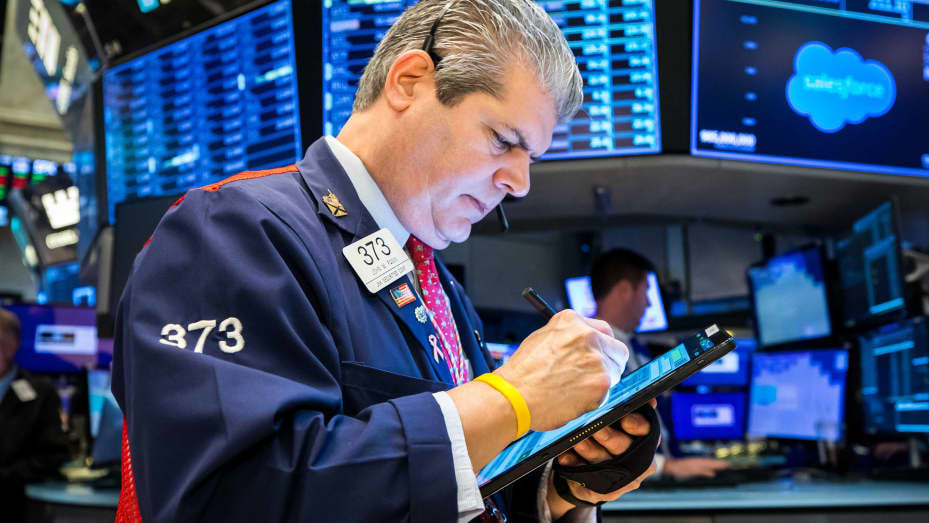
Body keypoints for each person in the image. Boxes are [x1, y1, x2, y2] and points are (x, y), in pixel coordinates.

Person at [112, 1, 658, 522]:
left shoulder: (438, 287)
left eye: (530, 157)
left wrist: (558, 487)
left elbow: (454, 486)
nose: (520, 183)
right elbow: (232, 498)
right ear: (409, 81)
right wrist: (510, 398)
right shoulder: (233, 230)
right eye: (502, 140)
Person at [590, 248, 731, 480]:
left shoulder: (638, 350)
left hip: (657, 476)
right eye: (646, 291)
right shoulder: (589, 353)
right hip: (628, 487)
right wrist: (668, 467)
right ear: (625, 290)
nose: (648, 304)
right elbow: (594, 438)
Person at [0, 309, 70, 523]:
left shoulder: (40, 395)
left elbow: (53, 455)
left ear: (12, 346)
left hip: (14, 505)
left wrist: (6, 476)